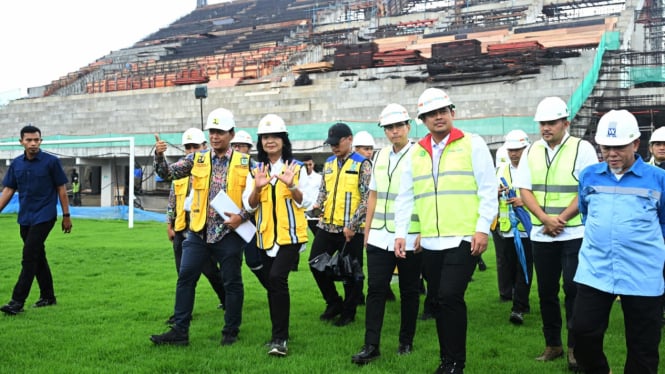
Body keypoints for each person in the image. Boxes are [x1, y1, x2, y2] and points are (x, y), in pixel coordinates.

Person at [393, 88, 497, 373]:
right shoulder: (415, 153)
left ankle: (456, 363)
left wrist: (482, 229)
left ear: (453, 112)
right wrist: (401, 234)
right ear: (423, 120)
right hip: (431, 242)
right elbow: (405, 197)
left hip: (464, 237)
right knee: (438, 300)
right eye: (431, 114)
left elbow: (489, 190)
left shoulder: (473, 144)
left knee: (451, 296)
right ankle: (446, 361)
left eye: (442, 111)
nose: (438, 117)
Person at [571, 110, 665, 374]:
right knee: (582, 332)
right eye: (605, 147)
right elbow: (586, 212)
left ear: (635, 144)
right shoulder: (589, 176)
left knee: (643, 347)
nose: (611, 153)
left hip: (643, 274)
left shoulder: (659, 180)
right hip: (596, 269)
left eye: (619, 147)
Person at [150, 108, 251, 346]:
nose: (215, 136)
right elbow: (167, 174)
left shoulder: (246, 162)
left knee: (232, 282)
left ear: (231, 134)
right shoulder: (197, 158)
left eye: (220, 132)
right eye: (212, 131)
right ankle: (179, 332)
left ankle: (230, 331)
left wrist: (242, 216)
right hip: (199, 231)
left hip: (230, 232)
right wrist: (158, 156)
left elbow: (257, 195)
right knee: (186, 277)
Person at [512, 96, 598, 370]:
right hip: (542, 234)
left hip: (573, 233)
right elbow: (524, 189)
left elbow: (585, 190)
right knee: (546, 292)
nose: (546, 128)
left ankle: (575, 348)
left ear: (565, 122)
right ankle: (553, 345)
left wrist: (559, 219)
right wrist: (543, 219)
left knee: (573, 290)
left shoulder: (582, 148)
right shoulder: (532, 150)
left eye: (551, 122)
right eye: (542, 123)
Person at [351, 103, 423, 365]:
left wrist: (423, 232)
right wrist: (367, 232)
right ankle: (371, 345)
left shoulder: (420, 155)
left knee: (409, 291)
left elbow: (426, 196)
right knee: (376, 290)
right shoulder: (379, 157)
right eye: (389, 128)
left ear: (408, 126)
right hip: (380, 237)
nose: (394, 131)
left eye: (398, 126)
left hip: (410, 234)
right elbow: (373, 195)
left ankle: (406, 341)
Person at [243, 114, 312, 357]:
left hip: (290, 237)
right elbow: (250, 206)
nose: (270, 141)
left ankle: (280, 339)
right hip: (265, 237)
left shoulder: (297, 168)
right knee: (274, 285)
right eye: (265, 137)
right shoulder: (255, 171)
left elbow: (308, 203)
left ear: (283, 140)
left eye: (275, 137)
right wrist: (257, 188)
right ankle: (278, 333)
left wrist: (292, 186)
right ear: (260, 142)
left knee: (276, 279)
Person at [0, 125, 73, 315]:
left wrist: (66, 216)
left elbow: (61, 190)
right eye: (29, 140)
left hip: (45, 216)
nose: (33, 143)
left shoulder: (51, 162)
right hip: (25, 217)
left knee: (29, 256)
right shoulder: (16, 164)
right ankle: (48, 296)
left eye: (36, 140)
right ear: (21, 142)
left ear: (41, 140)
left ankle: (17, 302)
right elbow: (8, 190)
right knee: (38, 256)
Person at [308, 122, 371, 327]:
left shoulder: (363, 164)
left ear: (349, 140)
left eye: (337, 143)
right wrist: (317, 205)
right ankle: (333, 302)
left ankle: (349, 311)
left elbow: (367, 198)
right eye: (331, 143)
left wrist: (353, 225)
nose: (334, 147)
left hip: (351, 229)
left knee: (351, 272)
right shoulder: (328, 163)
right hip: (327, 226)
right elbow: (324, 190)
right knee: (315, 263)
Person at [164, 128, 226, 324]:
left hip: (201, 233)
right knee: (183, 275)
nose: (191, 150)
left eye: (195, 146)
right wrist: (169, 224)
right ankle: (182, 315)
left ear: (204, 147)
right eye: (188, 147)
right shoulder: (180, 172)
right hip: (181, 229)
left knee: (211, 272)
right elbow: (172, 200)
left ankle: (226, 300)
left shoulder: (209, 170)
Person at [491, 129, 533, 324]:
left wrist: (523, 201)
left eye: (518, 149)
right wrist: (497, 193)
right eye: (511, 150)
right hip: (507, 229)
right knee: (510, 267)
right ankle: (521, 302)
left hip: (527, 229)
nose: (514, 154)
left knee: (524, 266)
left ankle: (518, 307)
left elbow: (540, 195)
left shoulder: (534, 168)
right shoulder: (501, 170)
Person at [230, 129, 270, 287]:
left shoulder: (257, 170)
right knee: (230, 262)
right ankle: (229, 298)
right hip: (230, 219)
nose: (238, 149)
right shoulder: (226, 169)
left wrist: (242, 216)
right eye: (235, 146)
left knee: (254, 260)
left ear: (249, 148)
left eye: (242, 146)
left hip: (251, 221)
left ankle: (272, 289)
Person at [301, 154, 322, 236]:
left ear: (313, 164)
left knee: (318, 237)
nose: (308, 167)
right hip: (301, 213)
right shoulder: (297, 178)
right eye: (305, 165)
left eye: (310, 164)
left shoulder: (319, 178)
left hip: (314, 213)